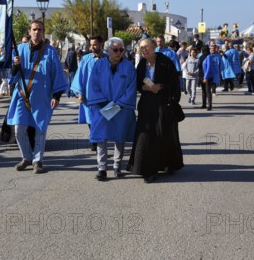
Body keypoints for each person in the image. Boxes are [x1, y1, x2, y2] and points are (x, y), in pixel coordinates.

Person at [8, 20, 68, 174]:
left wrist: (56, 95)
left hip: (42, 96)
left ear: (43, 32)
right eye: (34, 29)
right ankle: (26, 157)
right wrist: (15, 66)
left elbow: (57, 74)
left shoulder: (50, 51)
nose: (37, 32)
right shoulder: (18, 49)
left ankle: (37, 160)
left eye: (40, 30)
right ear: (29, 31)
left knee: (40, 129)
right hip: (22, 94)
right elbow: (11, 76)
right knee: (18, 128)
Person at [127, 38, 183, 183]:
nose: (144, 50)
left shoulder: (165, 62)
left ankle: (169, 163)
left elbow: (174, 83)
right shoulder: (141, 64)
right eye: (141, 48)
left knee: (165, 133)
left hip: (163, 103)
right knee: (146, 136)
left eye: (146, 47)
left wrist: (161, 86)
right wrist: (144, 87)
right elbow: (138, 83)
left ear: (154, 47)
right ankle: (148, 169)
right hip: (147, 104)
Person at [87, 37, 136, 181]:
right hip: (102, 106)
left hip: (121, 107)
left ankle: (117, 165)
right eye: (115, 50)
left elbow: (131, 88)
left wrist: (118, 105)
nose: (119, 53)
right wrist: (105, 105)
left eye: (121, 50)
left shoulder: (128, 66)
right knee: (102, 138)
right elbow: (93, 86)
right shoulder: (99, 65)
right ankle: (102, 168)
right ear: (108, 50)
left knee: (119, 136)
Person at [71, 35, 106, 152]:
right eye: (91, 45)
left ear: (101, 44)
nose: (92, 47)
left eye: (95, 44)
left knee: (104, 119)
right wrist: (80, 93)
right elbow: (80, 76)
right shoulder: (86, 59)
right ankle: (94, 140)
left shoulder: (108, 58)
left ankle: (100, 141)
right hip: (89, 96)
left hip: (105, 96)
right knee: (91, 119)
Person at [202, 43, 222, 110]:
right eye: (211, 48)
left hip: (212, 75)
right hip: (208, 74)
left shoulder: (217, 56)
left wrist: (205, 77)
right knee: (208, 91)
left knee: (209, 90)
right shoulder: (207, 56)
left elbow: (221, 66)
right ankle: (209, 104)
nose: (212, 49)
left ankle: (209, 105)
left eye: (213, 48)